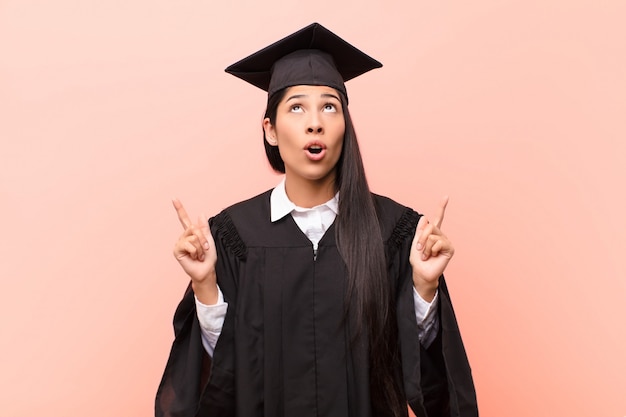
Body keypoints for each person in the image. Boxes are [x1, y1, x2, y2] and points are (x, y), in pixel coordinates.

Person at [155, 23, 478, 417]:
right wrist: (206, 286)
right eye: (296, 107)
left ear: (345, 125)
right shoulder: (233, 237)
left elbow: (425, 380)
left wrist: (424, 289)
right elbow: (217, 382)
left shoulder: (394, 232)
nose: (315, 122)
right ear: (270, 131)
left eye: (329, 106)